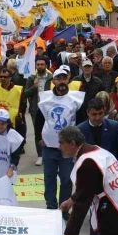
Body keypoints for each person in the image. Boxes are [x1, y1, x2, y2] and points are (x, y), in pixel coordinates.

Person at [77, 99, 118, 235]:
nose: (97, 117)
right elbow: (78, 155)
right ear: (88, 112)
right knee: (95, 213)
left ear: (104, 112)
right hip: (93, 180)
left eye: (100, 114)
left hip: (115, 178)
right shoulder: (80, 130)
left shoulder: (114, 126)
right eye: (94, 114)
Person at [36, 66, 85, 212]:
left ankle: (63, 209)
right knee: (49, 179)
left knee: (66, 180)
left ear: (68, 79)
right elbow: (38, 120)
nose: (61, 81)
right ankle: (51, 207)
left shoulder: (75, 99)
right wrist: (39, 137)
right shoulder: (45, 99)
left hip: (68, 150)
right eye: (58, 78)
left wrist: (78, 145)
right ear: (54, 81)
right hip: (49, 147)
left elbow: (81, 122)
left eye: (64, 78)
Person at [24, 57, 52, 166]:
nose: (40, 66)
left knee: (48, 131)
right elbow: (25, 94)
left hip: (48, 109)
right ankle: (40, 155)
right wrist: (34, 87)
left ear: (46, 66)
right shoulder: (31, 78)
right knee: (38, 132)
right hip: (36, 109)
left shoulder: (51, 77)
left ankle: (48, 153)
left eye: (42, 64)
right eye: (38, 64)